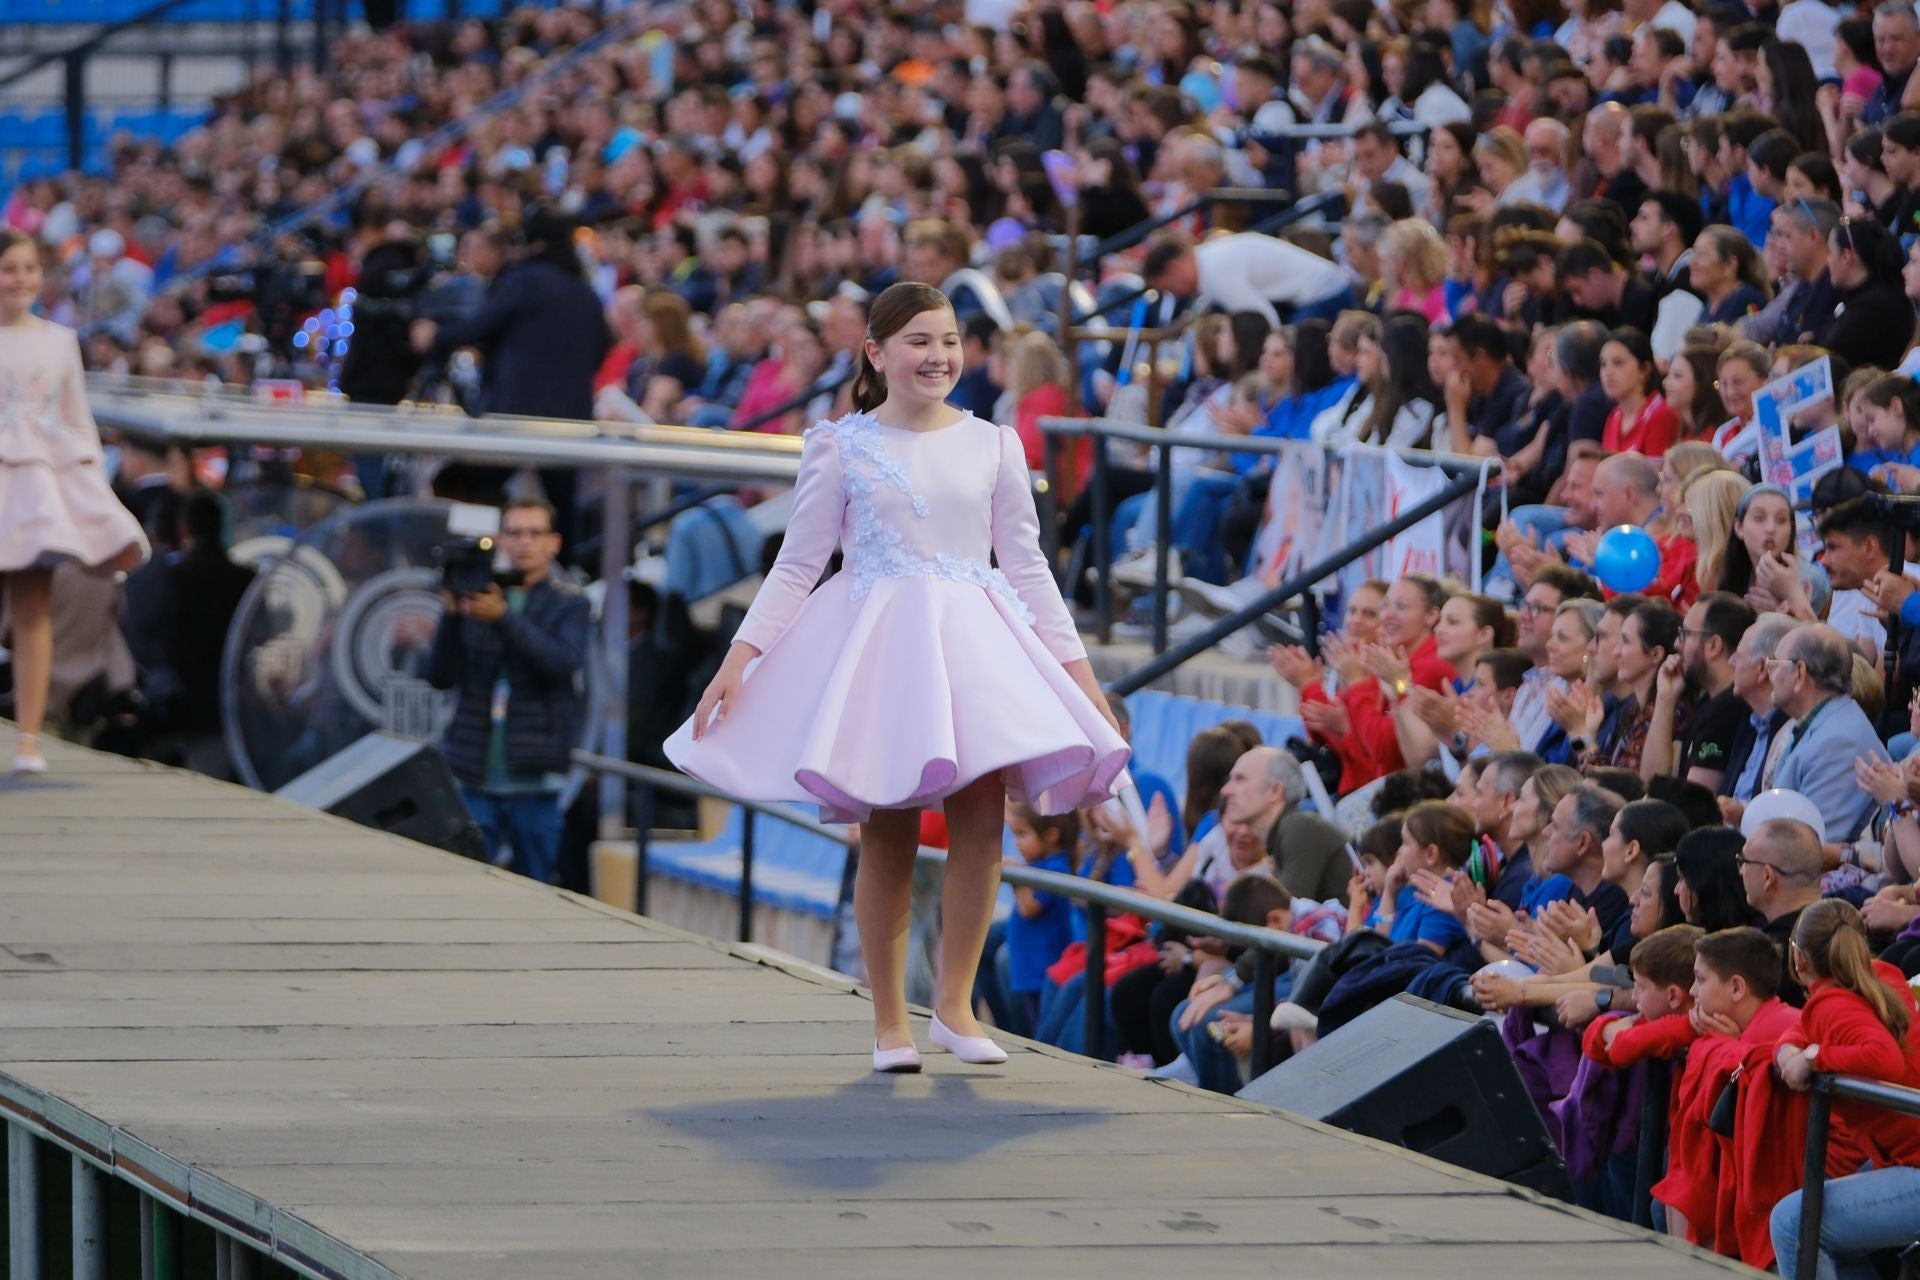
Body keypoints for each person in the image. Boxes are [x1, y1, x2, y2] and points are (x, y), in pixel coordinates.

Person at [669, 283, 1128, 1073]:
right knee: (888, 830)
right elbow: (797, 565)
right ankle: (890, 1022)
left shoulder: (995, 442)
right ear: (877, 354)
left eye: (947, 340)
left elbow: (1025, 564)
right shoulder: (838, 445)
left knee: (982, 823)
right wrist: (739, 660)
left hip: (975, 643)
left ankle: (954, 1006)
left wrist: (1078, 675)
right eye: (918, 341)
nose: (938, 356)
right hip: (882, 649)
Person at [0, 227, 147, 774]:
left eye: (29, 269)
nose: (21, 280)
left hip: (37, 485)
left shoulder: (60, 340)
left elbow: (76, 419)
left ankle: (29, 739)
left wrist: (88, 489)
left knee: (33, 605)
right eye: (10, 268)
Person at [425, 499, 590, 888]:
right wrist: (450, 616)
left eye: (535, 533)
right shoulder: (475, 595)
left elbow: (560, 662)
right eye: (514, 533)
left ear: (554, 543)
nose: (524, 543)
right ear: (499, 540)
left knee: (537, 885)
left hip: (535, 775)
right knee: (465, 884)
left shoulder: (570, 603)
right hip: (474, 772)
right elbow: (439, 676)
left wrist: (503, 618)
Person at [1768, 899, 1920, 1280]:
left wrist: (1815, 1059)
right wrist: (1788, 1052)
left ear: (1799, 959)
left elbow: (1883, 1057)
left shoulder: (1832, 1004)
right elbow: (1800, 1031)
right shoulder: (1880, 976)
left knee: (1792, 1222)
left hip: (1915, 1162)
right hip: (1904, 1156)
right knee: (1821, 1225)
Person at [1142, 231, 1354, 327]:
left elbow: (1264, 320)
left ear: (1174, 268)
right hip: (1314, 293)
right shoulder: (1209, 259)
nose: (1174, 293)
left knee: (1289, 351)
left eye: (1168, 287)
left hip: (1327, 293)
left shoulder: (1214, 272)